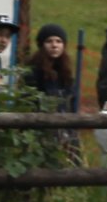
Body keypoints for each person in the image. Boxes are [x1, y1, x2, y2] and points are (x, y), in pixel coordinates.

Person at [26, 23, 81, 163]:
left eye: (58, 41)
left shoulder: (66, 73)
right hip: (42, 131)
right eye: (49, 41)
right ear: (42, 44)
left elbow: (72, 103)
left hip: (67, 131)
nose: (54, 45)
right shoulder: (33, 72)